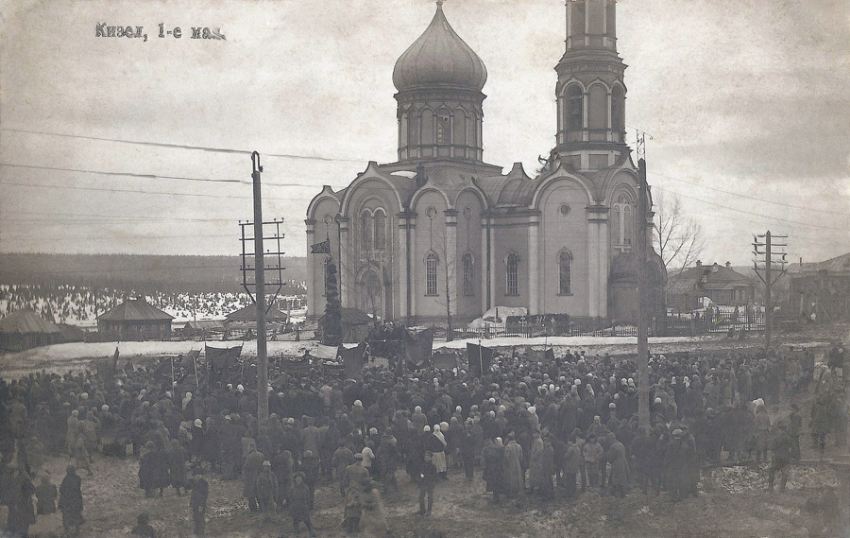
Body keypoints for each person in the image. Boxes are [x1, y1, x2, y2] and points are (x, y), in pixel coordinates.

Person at [769, 423, 795, 492]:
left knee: (771, 471)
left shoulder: (775, 438)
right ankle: (782, 488)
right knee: (785, 472)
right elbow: (794, 449)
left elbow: (772, 448)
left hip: (776, 457)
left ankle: (770, 487)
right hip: (786, 457)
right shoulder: (790, 438)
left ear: (779, 430)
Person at [59, 464, 84, 537]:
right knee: (77, 514)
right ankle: (77, 530)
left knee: (66, 516)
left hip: (67, 501)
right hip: (76, 500)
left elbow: (62, 490)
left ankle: (67, 530)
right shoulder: (78, 478)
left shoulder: (65, 479)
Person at [187, 467, 209, 537]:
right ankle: (196, 531)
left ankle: (201, 533)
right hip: (194, 503)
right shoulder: (194, 482)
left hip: (200, 504)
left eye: (199, 475)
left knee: (200, 518)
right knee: (195, 517)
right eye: (196, 475)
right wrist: (190, 479)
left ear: (202, 475)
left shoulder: (204, 483)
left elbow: (205, 495)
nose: (197, 476)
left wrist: (201, 504)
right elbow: (187, 487)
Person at [242, 444, 265, 512]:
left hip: (250, 477)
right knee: (259, 492)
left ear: (251, 448)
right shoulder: (261, 455)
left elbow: (246, 467)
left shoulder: (249, 457)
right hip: (259, 475)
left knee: (251, 493)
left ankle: (253, 509)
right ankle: (262, 507)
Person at [419, 451, 437, 516]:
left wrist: (429, 479)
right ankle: (422, 509)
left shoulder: (433, 466)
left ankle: (429, 510)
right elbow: (420, 472)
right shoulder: (422, 465)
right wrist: (421, 475)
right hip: (423, 483)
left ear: (430, 458)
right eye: (425, 456)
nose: (426, 458)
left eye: (428, 456)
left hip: (430, 483)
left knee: (430, 497)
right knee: (421, 497)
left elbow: (434, 476)